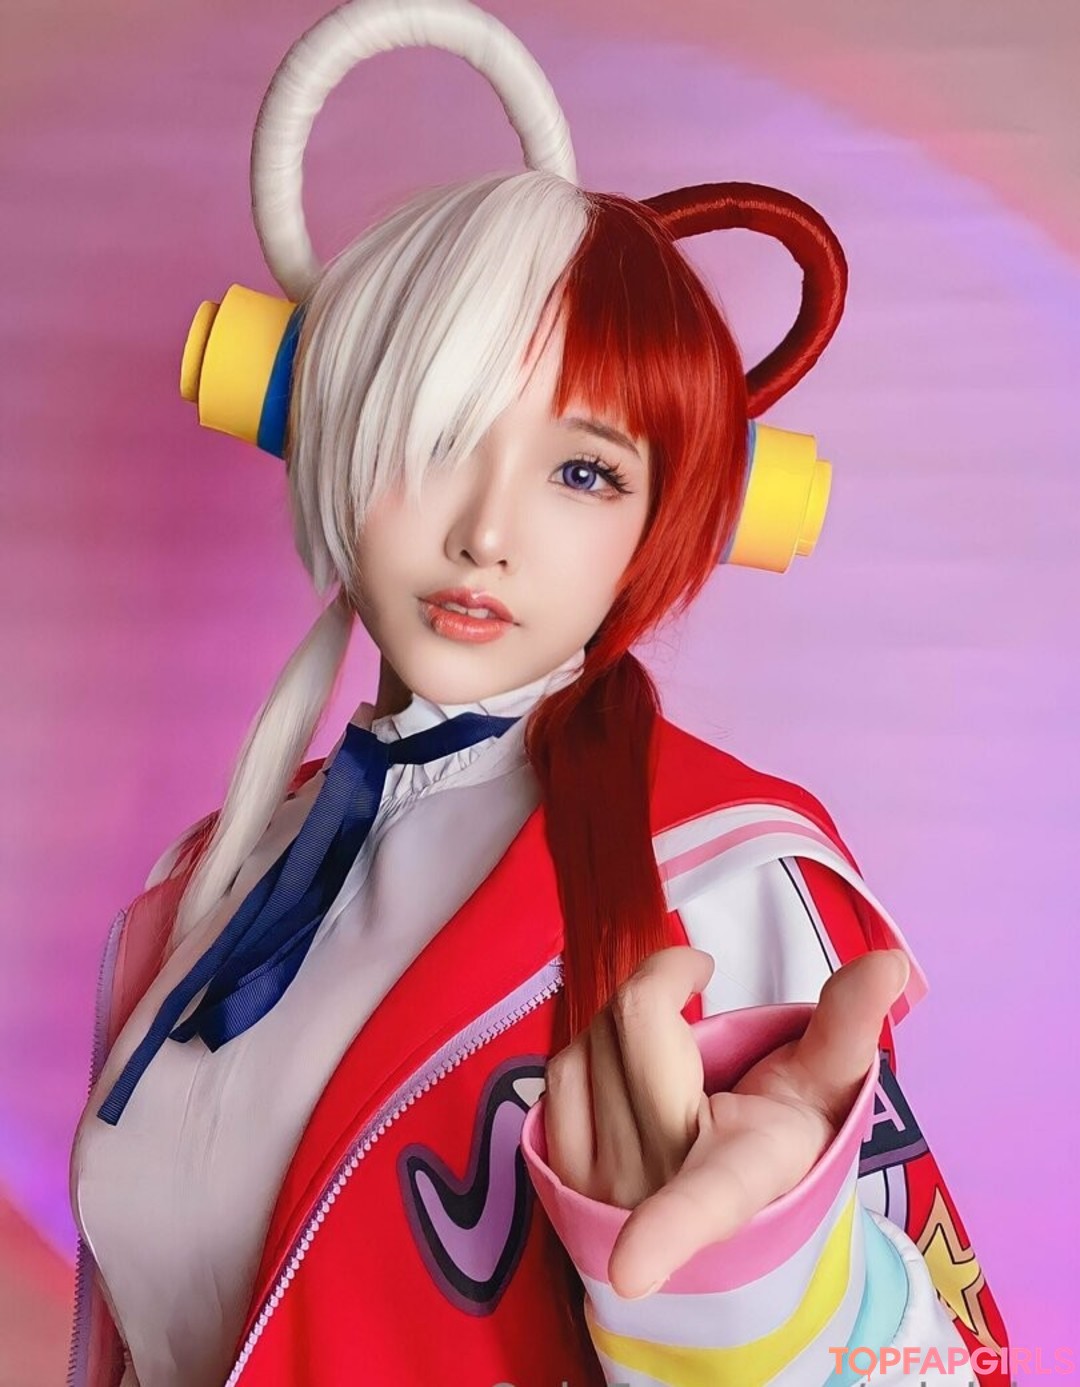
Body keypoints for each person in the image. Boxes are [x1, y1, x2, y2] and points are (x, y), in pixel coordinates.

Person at [67, 2, 1009, 1384]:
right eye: (436, 433)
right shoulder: (225, 874)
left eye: (583, 472)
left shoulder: (726, 868)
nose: (486, 534)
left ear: (661, 520)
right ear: (327, 430)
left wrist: (756, 1301)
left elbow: (951, 1367)